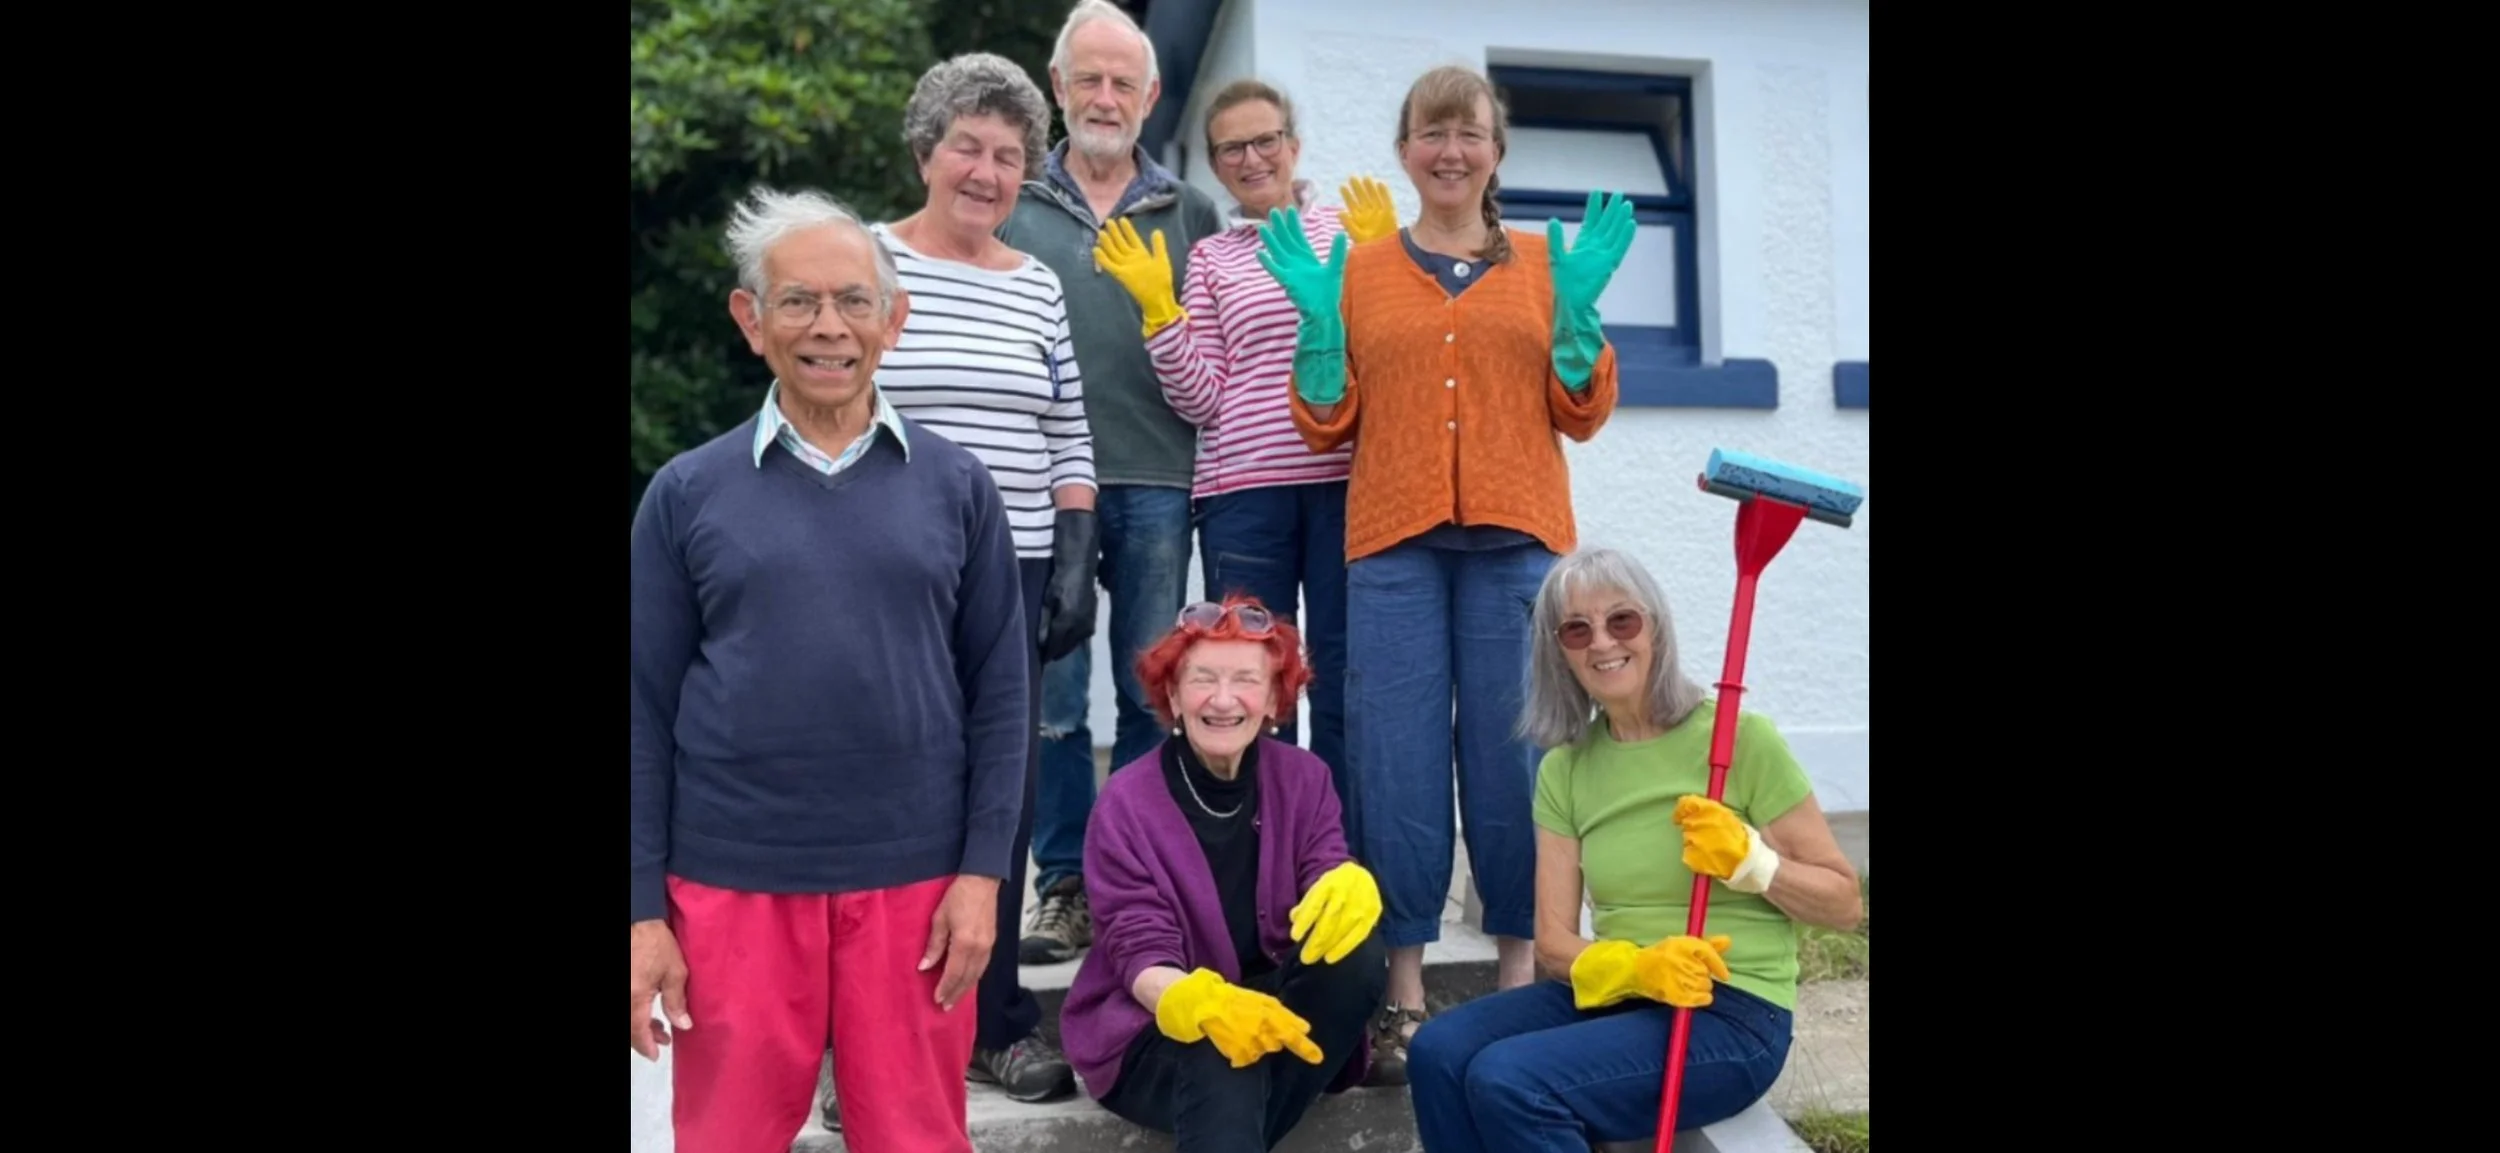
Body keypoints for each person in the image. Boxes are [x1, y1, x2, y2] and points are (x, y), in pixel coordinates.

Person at [629, 185, 1028, 1153]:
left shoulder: (960, 486)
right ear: (749, 319)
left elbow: (1004, 698)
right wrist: (642, 913)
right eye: (798, 301)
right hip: (731, 884)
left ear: (894, 317)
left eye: (853, 300)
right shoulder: (684, 494)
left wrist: (983, 877)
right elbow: (639, 712)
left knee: (918, 1140)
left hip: (918, 887)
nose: (828, 327)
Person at [1255, 63, 1632, 1082]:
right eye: (1431, 134)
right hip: (1393, 543)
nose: (1450, 151)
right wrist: (1321, 333)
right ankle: (1403, 989)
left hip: (1517, 542)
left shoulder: (1546, 268)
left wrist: (1580, 325)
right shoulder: (1363, 267)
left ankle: (1524, 974)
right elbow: (1324, 420)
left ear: (1495, 151)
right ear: (1405, 151)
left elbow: (1582, 415)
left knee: (1518, 763)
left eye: (1468, 133)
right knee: (1395, 763)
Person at [1405, 546, 1865, 1150]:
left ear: (1655, 628)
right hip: (1624, 995)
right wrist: (1638, 967)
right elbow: (1553, 944)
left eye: (1621, 620)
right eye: (1577, 629)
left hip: (1729, 1011)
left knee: (1512, 1082)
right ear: (1558, 653)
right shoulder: (1565, 769)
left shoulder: (1739, 740)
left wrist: (1754, 863)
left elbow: (1843, 904)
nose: (1601, 642)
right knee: (1438, 1052)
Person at [857, 49, 1094, 1108]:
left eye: (1008, 155)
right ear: (925, 151)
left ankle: (996, 1022)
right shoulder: (861, 260)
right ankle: (868, 1041)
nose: (987, 171)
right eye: (968, 146)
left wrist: (1074, 557)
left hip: (1020, 564)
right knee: (886, 793)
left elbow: (1067, 433)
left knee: (999, 800)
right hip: (884, 564)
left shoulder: (1038, 284)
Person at [1089, 76, 1397, 848]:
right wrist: (1160, 309)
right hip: (1242, 495)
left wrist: (1394, 260)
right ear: (1217, 167)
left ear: (1295, 145)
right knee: (1254, 683)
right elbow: (1200, 397)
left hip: (1343, 487)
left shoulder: (1352, 234)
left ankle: (1339, 859)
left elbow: (1394, 359)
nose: (1254, 157)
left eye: (1267, 140)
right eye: (1233, 148)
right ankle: (1263, 857)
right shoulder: (1214, 260)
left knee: (1342, 682)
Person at [1001, 0, 1226, 969]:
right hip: (1041, 487)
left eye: (1120, 82)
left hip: (1156, 481)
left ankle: (1123, 880)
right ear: (1056, 88)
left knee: (1146, 696)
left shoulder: (1192, 211)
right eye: (1086, 79)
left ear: (1151, 94)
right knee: (1047, 698)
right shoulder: (1010, 202)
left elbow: (1216, 352)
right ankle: (1060, 882)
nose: (1103, 96)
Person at [1058, 596, 1390, 1152]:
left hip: (1276, 1011)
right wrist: (1196, 1004)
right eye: (1202, 679)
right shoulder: (1125, 802)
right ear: (1172, 693)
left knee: (1355, 953)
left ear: (1273, 699)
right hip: (1152, 1027)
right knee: (1222, 1049)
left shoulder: (1305, 777)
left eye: (1245, 680)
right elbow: (1137, 948)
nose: (1222, 699)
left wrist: (1345, 879)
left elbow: (1324, 869)